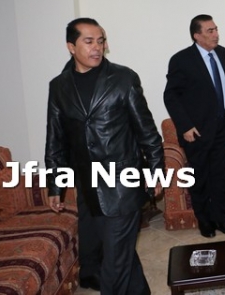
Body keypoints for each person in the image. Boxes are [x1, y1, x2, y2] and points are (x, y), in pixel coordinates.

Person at [45, 17, 164, 294]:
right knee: (120, 253)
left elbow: (147, 132)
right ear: (71, 46)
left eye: (100, 41)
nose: (97, 47)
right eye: (89, 41)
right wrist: (55, 184)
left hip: (123, 184)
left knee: (113, 265)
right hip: (88, 188)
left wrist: (156, 172)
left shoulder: (124, 78)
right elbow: (55, 139)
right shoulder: (59, 86)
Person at [164, 14, 225, 238]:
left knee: (220, 177)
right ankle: (205, 222)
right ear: (197, 35)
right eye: (210, 31)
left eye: (216, 29)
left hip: (221, 127)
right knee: (200, 178)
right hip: (196, 131)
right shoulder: (181, 59)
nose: (216, 34)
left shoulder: (221, 52)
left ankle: (221, 220)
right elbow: (171, 96)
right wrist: (185, 126)